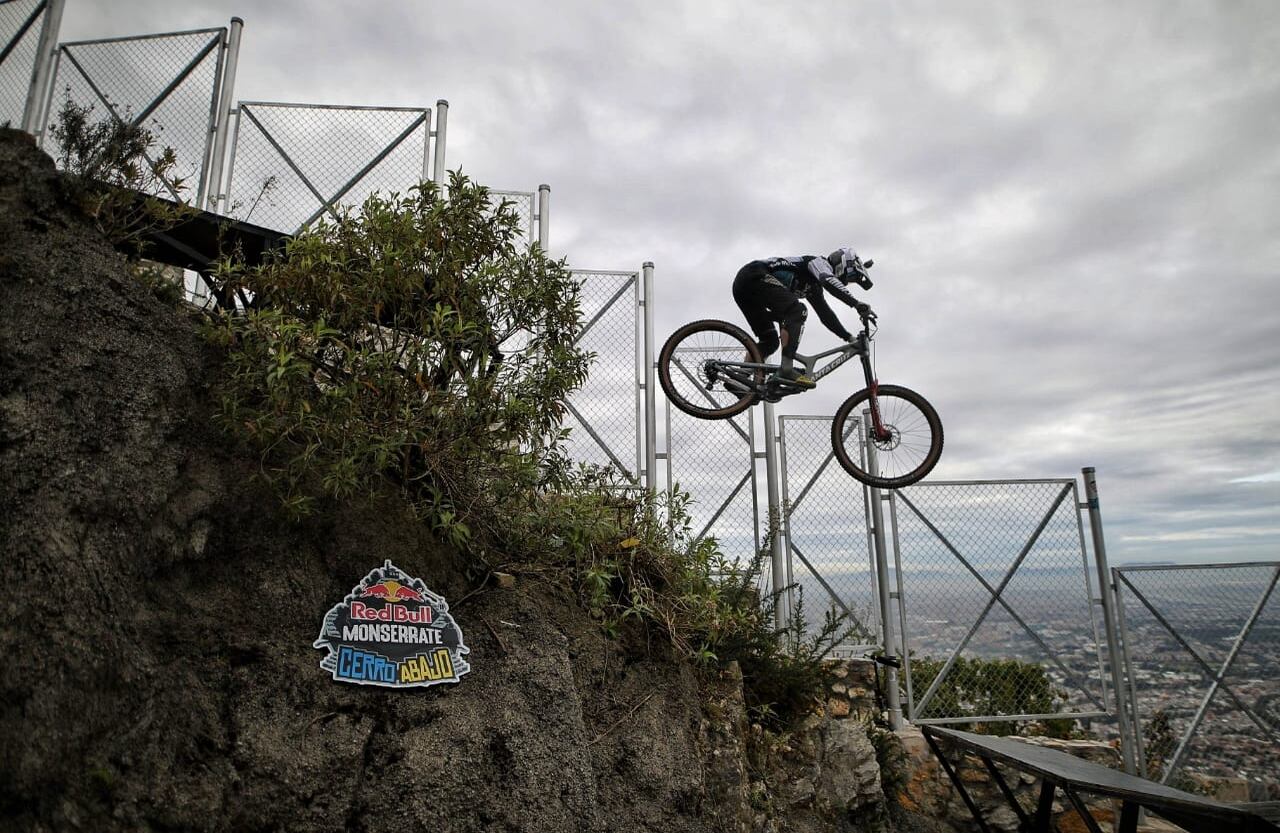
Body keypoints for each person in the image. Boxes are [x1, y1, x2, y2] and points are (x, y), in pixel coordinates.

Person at [732, 246, 876, 389]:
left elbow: (826, 315)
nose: (847, 281)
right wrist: (856, 304)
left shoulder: (814, 288)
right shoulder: (818, 262)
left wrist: (849, 338)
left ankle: (739, 380)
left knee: (770, 342)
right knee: (797, 311)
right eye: (850, 277)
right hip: (754, 274)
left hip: (744, 289)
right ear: (843, 263)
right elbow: (828, 280)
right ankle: (786, 369)